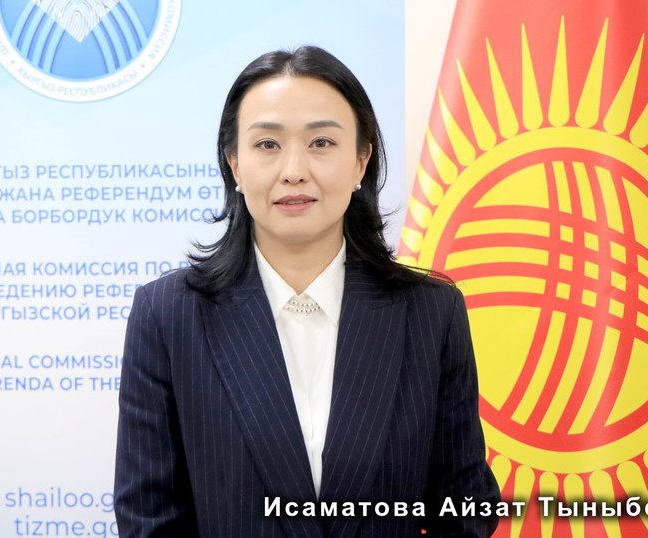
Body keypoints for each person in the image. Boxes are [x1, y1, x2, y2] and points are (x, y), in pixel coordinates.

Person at [114, 46, 500, 537]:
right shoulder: (168, 316)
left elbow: (464, 510)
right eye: (267, 144)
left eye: (321, 142)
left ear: (361, 162)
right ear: (235, 165)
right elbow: (150, 518)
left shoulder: (430, 312)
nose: (294, 169)